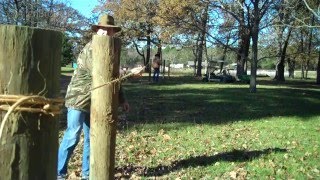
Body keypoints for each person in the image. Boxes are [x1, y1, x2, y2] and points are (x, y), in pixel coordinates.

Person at [57, 14, 129, 180]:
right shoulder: (90, 49)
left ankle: (87, 174)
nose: (106, 32)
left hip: (96, 102)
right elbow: (102, 74)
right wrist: (128, 74)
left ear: (113, 33)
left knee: (92, 138)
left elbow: (113, 78)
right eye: (103, 29)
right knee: (72, 135)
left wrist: (123, 99)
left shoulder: (111, 51)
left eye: (109, 30)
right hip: (78, 99)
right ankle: (59, 173)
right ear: (97, 30)